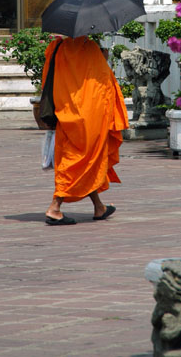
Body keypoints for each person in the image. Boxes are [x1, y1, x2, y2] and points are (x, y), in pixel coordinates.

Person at [43, 35, 129, 225]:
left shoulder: (56, 47)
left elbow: (47, 78)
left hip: (66, 111)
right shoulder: (88, 47)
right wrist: (102, 58)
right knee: (80, 160)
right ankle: (55, 207)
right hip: (90, 115)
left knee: (88, 161)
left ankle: (99, 207)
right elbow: (102, 82)